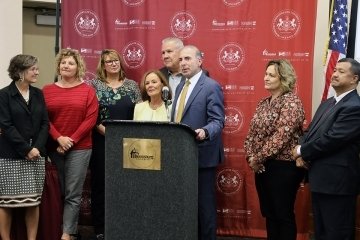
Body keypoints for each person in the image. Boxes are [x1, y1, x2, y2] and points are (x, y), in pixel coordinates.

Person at [293, 58, 360, 240]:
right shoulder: (327, 103)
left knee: (336, 233)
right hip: (319, 178)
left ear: (354, 79)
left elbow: (332, 139)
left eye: (341, 71)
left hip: (338, 184)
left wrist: (301, 151)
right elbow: (309, 132)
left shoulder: (355, 107)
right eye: (335, 70)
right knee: (320, 232)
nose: (335, 74)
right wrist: (301, 150)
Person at [244, 59, 305, 240]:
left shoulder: (292, 102)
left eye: (271, 75)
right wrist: (250, 157)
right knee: (270, 214)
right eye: (266, 74)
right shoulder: (264, 102)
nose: (266, 78)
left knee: (282, 214)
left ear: (283, 78)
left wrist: (258, 158)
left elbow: (281, 136)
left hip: (283, 167)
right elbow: (251, 134)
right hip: (263, 167)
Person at [42, 48, 98, 240]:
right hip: (53, 148)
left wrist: (70, 140)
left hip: (80, 148)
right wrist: (59, 138)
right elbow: (43, 119)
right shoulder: (47, 90)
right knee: (56, 191)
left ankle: (67, 233)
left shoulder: (88, 91)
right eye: (63, 62)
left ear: (78, 67)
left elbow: (90, 120)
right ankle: (53, 228)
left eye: (71, 63)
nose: (66, 66)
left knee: (72, 193)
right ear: (59, 66)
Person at [170, 45, 224, 240]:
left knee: (204, 206)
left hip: (201, 156)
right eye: (181, 60)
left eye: (187, 59)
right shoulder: (179, 87)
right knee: (184, 205)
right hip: (180, 157)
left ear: (199, 61)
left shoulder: (211, 86)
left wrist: (205, 131)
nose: (183, 63)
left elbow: (218, 121)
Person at [87, 49, 141, 240]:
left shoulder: (133, 86)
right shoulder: (93, 85)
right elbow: (90, 114)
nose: (112, 63)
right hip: (102, 142)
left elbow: (140, 112)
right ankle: (101, 228)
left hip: (129, 144)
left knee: (127, 185)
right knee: (101, 185)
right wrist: (106, 132)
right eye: (108, 61)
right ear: (102, 65)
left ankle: (126, 224)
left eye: (115, 60)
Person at [0, 54, 49, 240]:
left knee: (33, 201)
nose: (37, 72)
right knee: (6, 202)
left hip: (36, 155)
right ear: (20, 72)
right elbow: (6, 125)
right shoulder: (4, 95)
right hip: (10, 155)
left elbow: (45, 123)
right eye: (33, 69)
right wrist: (26, 149)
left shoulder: (38, 93)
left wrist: (36, 147)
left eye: (37, 68)